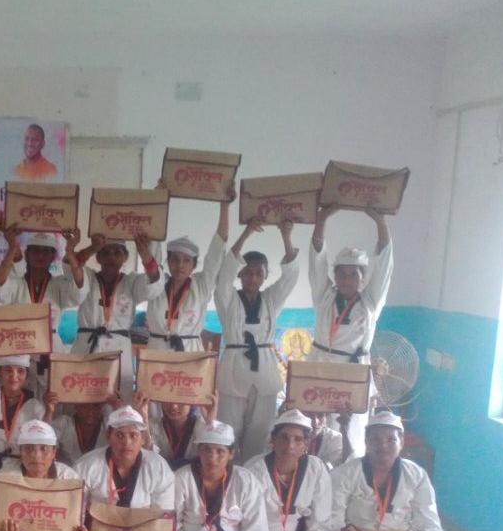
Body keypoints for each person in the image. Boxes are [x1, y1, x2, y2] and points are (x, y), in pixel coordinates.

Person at [308, 205, 394, 455]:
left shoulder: (370, 302)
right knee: (316, 429)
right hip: (321, 367)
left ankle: (348, 472)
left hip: (355, 372)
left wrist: (380, 222)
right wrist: (322, 218)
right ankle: (315, 473)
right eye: (342, 274)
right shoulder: (324, 296)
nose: (346, 280)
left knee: (352, 433)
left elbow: (384, 266)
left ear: (362, 278)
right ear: (335, 276)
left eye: (353, 275)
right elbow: (317, 260)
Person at [214, 219, 300, 461]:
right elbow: (224, 275)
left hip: (264, 372)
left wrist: (286, 236)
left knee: (260, 435)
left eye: (258, 273)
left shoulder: (271, 299)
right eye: (248, 273)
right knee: (228, 433)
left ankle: (252, 475)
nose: (253, 278)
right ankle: (227, 474)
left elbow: (290, 277)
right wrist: (246, 233)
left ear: (265, 276)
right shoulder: (227, 298)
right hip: (233, 372)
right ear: (240, 274)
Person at [0, 227, 87, 391]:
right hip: (20, 344)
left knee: (53, 393)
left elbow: (78, 294)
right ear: (27, 254)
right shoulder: (16, 282)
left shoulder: (59, 284)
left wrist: (70, 251)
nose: (40, 256)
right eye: (35, 251)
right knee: (21, 394)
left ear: (53, 256)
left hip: (51, 346)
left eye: (45, 251)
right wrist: (12, 247)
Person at [70, 234, 163, 395]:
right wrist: (93, 248)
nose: (111, 257)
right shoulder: (88, 276)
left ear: (125, 257)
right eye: (105, 252)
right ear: (98, 257)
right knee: (82, 396)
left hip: (119, 349)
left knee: (119, 400)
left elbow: (153, 284)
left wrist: (144, 253)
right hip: (86, 347)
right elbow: (70, 266)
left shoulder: (132, 281)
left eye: (117, 252)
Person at [144, 188, 232, 352]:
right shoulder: (157, 283)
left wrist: (224, 205)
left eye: (186, 260)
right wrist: (158, 200)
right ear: (168, 262)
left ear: (194, 265)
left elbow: (217, 249)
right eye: (175, 260)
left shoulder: (201, 286)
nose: (180, 265)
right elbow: (153, 248)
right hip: (156, 352)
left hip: (189, 353)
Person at [135, 391, 217, 472]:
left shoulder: (203, 427)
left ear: (192, 403)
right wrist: (143, 417)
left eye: (180, 401)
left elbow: (212, 460)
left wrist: (210, 422)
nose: (174, 406)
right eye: (168, 399)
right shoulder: (152, 426)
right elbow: (147, 457)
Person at [47, 399, 110, 467]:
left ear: (102, 407)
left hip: (99, 471)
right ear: (76, 406)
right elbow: (45, 440)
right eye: (85, 406)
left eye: (96, 406)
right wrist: (49, 411)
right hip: (68, 471)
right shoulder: (64, 423)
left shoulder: (108, 426)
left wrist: (116, 405)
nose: (90, 411)